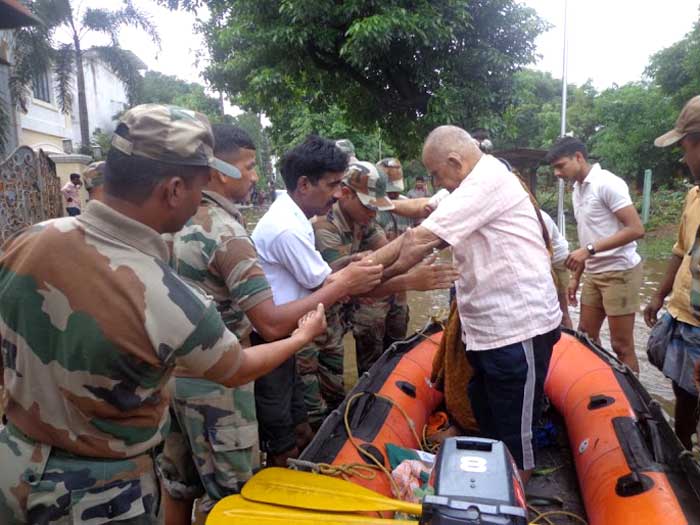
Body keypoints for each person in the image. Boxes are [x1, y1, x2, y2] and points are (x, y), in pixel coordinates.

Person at [0, 104, 327, 524]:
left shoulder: (30, 239)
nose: (202, 196)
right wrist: (301, 337)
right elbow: (237, 368)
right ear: (174, 190)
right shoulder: (166, 296)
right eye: (199, 185)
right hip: (100, 497)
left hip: (14, 465)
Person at [159, 125, 379, 522]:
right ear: (220, 170)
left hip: (175, 375)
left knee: (178, 483)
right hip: (219, 382)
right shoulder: (227, 234)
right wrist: (336, 292)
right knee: (232, 496)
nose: (256, 176)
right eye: (248, 166)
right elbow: (272, 324)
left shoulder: (177, 221)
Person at [368, 126, 562, 483]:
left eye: (438, 174)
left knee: (515, 437)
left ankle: (516, 502)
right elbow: (422, 219)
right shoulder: (466, 186)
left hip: (517, 329)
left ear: (456, 162)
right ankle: (493, 487)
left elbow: (419, 241)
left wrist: (367, 277)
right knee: (486, 412)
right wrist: (363, 269)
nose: (438, 182)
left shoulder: (485, 184)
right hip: (485, 331)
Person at [251, 136, 384, 457]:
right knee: (280, 434)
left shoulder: (296, 218)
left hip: (289, 340)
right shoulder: (288, 228)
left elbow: (318, 277)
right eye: (333, 184)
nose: (339, 193)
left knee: (299, 423)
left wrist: (342, 268)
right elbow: (331, 285)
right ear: (304, 185)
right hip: (270, 342)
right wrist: (354, 275)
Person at [546, 137, 645, 372]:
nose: (557, 174)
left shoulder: (607, 183)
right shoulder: (577, 189)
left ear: (578, 157)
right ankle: (599, 384)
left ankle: (634, 403)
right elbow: (588, 237)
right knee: (586, 336)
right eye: (555, 169)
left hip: (620, 271)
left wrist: (588, 251)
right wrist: (576, 277)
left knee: (621, 345)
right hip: (593, 272)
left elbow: (636, 229)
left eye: (561, 166)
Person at [644, 94, 700, 449]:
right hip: (683, 315)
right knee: (683, 392)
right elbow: (680, 251)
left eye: (685, 147)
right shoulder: (694, 196)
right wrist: (658, 293)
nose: (682, 158)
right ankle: (683, 451)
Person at [374, 158, 414, 346]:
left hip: (400, 293)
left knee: (398, 345)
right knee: (371, 356)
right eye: (389, 190)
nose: (393, 194)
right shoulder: (370, 208)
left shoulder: (407, 206)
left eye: (396, 190)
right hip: (374, 295)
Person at [540, 210, 573, 329]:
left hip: (558, 263)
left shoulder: (541, 218)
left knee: (562, 312)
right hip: (547, 261)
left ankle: (569, 340)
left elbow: (546, 252)